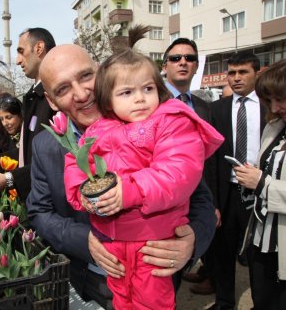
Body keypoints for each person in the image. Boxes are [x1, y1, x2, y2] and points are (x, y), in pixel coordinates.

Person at [27, 43, 218, 309]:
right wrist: (86, 241)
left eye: (85, 76)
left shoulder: (152, 121)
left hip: (154, 274)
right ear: (51, 100)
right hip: (91, 282)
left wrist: (192, 241)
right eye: (63, 89)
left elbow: (200, 198)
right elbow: (39, 212)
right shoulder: (44, 147)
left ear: (100, 70)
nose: (82, 94)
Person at [207, 52, 267, 310]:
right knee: (224, 251)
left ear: (257, 73)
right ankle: (224, 301)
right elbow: (209, 159)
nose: (236, 78)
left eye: (243, 72)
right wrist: (213, 202)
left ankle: (261, 301)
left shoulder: (270, 106)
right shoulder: (216, 109)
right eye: (231, 73)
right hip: (227, 192)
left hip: (260, 191)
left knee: (259, 254)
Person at [236, 57, 286, 310]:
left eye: (280, 99)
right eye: (269, 100)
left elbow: (267, 182)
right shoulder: (275, 126)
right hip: (261, 240)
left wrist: (262, 183)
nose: (275, 107)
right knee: (263, 300)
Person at [0, 28, 56, 199]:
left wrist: (9, 178)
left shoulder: (54, 98)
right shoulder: (34, 96)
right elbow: (28, 153)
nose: (18, 61)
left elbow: (51, 160)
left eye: (21, 52)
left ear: (39, 48)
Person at [162, 37, 215, 293]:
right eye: (175, 58)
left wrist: (211, 205)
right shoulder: (151, 104)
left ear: (196, 65)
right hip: (162, 206)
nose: (183, 62)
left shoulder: (204, 108)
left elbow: (209, 161)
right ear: (165, 66)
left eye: (189, 58)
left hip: (196, 203)